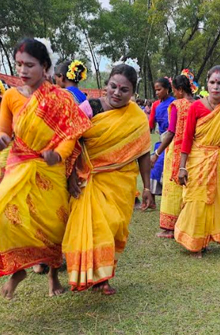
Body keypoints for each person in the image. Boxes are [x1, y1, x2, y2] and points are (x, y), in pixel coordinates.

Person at [0, 38, 92, 300]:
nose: (22, 70)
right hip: (19, 163)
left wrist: (58, 155)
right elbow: (3, 128)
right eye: (19, 64)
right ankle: (17, 270)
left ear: (45, 67)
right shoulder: (10, 96)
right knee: (4, 213)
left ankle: (53, 275)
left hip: (51, 167)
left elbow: (71, 134)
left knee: (53, 225)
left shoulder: (61, 98)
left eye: (29, 65)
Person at [63, 62, 155, 295]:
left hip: (121, 183)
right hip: (89, 179)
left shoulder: (136, 117)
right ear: (106, 85)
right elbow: (70, 140)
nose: (117, 92)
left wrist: (147, 187)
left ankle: (103, 273)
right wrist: (71, 175)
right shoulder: (89, 107)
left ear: (132, 93)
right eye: (113, 86)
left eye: (124, 90)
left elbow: (143, 152)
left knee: (114, 228)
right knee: (95, 228)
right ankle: (96, 278)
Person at [175, 66, 220, 258]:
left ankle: (204, 240)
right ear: (207, 84)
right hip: (197, 159)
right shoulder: (196, 107)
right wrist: (182, 167)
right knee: (196, 200)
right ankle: (193, 241)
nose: (216, 87)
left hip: (218, 161)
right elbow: (187, 138)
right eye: (212, 82)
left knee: (212, 201)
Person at [154, 72, 196, 238]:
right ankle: (185, 224)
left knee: (172, 189)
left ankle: (170, 228)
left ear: (178, 90)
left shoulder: (177, 105)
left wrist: (156, 153)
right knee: (188, 187)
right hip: (193, 151)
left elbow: (171, 132)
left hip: (176, 150)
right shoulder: (198, 104)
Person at [149, 77, 176, 197]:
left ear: (167, 89)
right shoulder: (157, 105)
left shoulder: (174, 103)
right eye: (155, 90)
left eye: (159, 89)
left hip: (172, 141)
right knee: (152, 167)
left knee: (160, 166)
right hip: (161, 141)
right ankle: (151, 199)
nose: (157, 93)